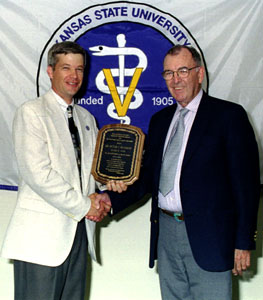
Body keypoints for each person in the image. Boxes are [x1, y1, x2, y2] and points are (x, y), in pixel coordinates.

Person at [96, 45, 261, 299]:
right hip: (166, 235)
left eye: (183, 71)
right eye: (169, 73)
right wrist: (111, 198)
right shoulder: (160, 120)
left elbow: (246, 186)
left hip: (212, 239)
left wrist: (243, 242)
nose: (175, 79)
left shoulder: (228, 116)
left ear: (200, 73)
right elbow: (148, 177)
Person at [0, 41, 125, 300]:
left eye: (79, 69)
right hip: (41, 239)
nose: (74, 76)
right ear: (50, 71)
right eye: (66, 68)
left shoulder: (86, 118)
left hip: (79, 234)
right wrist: (85, 205)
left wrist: (107, 190)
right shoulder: (31, 112)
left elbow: (91, 173)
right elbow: (38, 174)